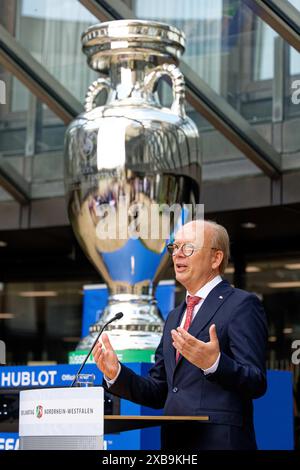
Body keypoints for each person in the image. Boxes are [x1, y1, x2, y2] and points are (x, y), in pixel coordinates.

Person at [93, 220, 268, 450]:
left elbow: (256, 381)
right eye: (175, 247)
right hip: (175, 445)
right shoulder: (175, 316)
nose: (177, 255)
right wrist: (116, 374)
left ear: (216, 259)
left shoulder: (242, 305)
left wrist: (215, 364)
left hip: (219, 443)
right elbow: (158, 390)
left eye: (188, 248)